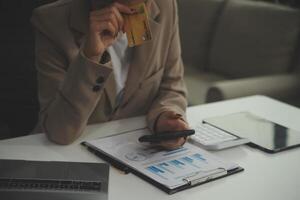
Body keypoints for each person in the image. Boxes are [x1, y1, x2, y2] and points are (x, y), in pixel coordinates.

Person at [31, 0, 188, 149]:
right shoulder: (51, 21)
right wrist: (90, 56)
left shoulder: (165, 6)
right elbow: (59, 132)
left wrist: (164, 116)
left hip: (134, 150)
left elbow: (172, 86)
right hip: (66, 153)